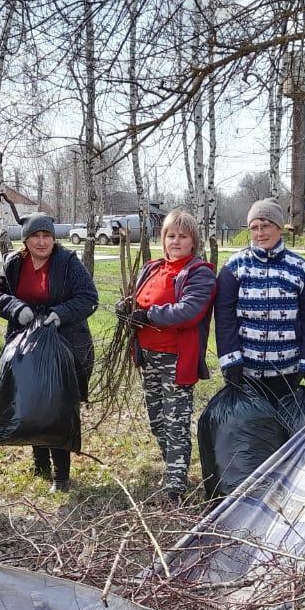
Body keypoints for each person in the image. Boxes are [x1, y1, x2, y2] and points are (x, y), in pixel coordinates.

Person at [0, 212, 98, 491]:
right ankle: (40, 465)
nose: (41, 241)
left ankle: (61, 476)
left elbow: (88, 297)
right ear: (25, 240)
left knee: (56, 405)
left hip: (64, 345)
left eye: (46, 235)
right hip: (24, 342)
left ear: (53, 238)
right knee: (30, 398)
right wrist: (17, 309)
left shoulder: (67, 262)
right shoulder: (13, 264)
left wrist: (59, 314)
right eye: (35, 236)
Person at [117, 210, 216, 501]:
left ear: (193, 241)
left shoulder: (200, 273)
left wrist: (147, 316)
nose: (175, 241)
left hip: (176, 360)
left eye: (182, 236)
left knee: (176, 422)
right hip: (148, 357)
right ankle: (173, 467)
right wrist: (127, 310)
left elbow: (188, 312)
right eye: (171, 235)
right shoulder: (152, 268)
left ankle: (175, 485)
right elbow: (138, 300)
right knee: (157, 419)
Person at [213, 197, 305, 401]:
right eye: (254, 227)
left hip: (287, 370)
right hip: (245, 370)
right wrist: (230, 359)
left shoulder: (301, 269)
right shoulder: (234, 267)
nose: (259, 233)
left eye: (266, 226)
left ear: (279, 228)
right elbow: (224, 316)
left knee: (284, 431)